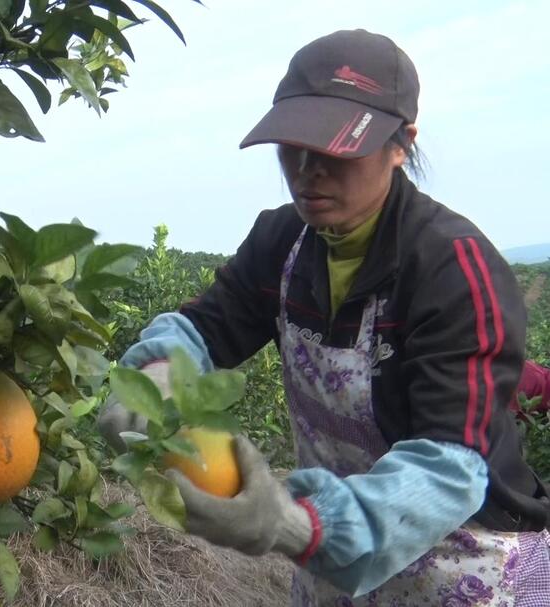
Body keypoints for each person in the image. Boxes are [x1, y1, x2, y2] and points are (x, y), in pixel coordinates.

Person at [99, 29, 550, 605]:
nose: (309, 169)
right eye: (294, 144)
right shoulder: (282, 241)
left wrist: (301, 524)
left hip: (463, 562)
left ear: (400, 143)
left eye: (336, 147)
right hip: (332, 564)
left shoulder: (452, 266)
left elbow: (450, 464)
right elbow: (204, 330)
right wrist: (156, 373)